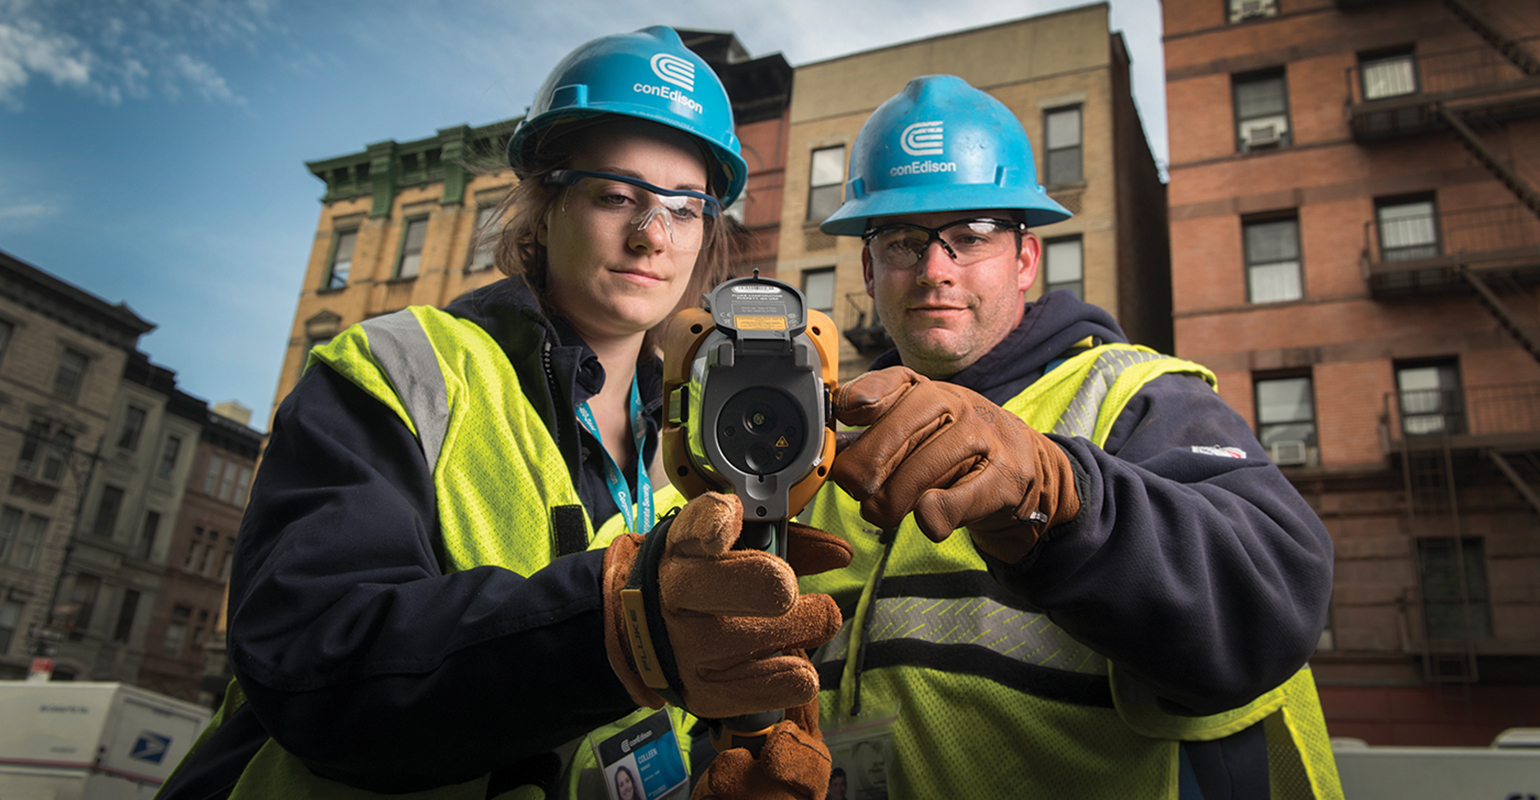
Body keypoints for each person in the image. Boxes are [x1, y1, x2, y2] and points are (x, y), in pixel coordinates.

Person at [154, 26, 846, 800]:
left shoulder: (692, 444)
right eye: (618, 195)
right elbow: (313, 659)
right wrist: (617, 628)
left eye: (686, 209)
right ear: (543, 202)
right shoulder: (402, 368)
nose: (653, 236)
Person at [786, 75, 1345, 798]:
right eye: (902, 242)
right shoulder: (833, 438)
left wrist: (1067, 501)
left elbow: (1272, 601)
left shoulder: (1135, 398)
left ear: (1024, 260)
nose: (934, 270)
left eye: (970, 237)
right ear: (867, 267)